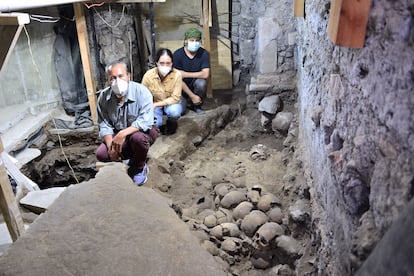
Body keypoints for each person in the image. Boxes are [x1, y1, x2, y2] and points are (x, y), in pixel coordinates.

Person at [95, 61, 158, 185]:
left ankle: (139, 167)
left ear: (128, 76)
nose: (117, 81)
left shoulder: (142, 92)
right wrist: (110, 147)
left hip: (143, 131)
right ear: (108, 80)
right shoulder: (104, 97)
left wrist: (122, 134)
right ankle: (131, 157)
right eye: (112, 78)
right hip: (119, 133)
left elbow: (145, 121)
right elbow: (104, 123)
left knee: (138, 139)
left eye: (121, 76)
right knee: (101, 154)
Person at [142, 48, 183, 135]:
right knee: (155, 125)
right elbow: (143, 96)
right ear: (156, 63)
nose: (165, 66)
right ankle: (158, 125)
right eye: (162, 63)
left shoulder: (177, 75)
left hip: (170, 103)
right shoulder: (148, 76)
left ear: (172, 63)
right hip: (154, 104)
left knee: (175, 112)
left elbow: (175, 98)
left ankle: (171, 123)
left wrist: (157, 104)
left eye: (168, 63)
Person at [173, 27, 210, 115]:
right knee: (180, 111)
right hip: (180, 87)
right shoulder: (177, 54)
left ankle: (196, 106)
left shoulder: (204, 53)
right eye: (191, 40)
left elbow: (205, 74)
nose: (194, 43)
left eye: (197, 40)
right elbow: (177, 79)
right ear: (186, 41)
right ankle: (188, 100)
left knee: (201, 83)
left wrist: (184, 74)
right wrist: (192, 95)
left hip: (195, 85)